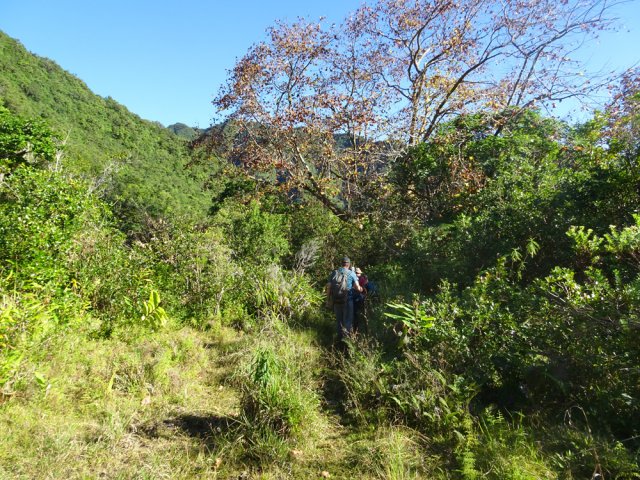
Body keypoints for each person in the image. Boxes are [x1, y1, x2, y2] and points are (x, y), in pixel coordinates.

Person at [326, 256, 362, 341]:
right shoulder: (351, 273)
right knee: (348, 321)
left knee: (339, 321)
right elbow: (357, 287)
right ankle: (346, 342)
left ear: (342, 264)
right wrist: (361, 289)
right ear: (349, 264)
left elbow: (328, 286)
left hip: (336, 301)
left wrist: (328, 300)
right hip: (347, 300)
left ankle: (339, 340)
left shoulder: (334, 273)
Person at [353, 267, 368, 334]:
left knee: (355, 314)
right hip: (360, 298)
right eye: (358, 273)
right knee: (361, 313)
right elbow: (364, 289)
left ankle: (356, 329)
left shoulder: (353, 279)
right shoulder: (362, 279)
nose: (358, 274)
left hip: (354, 298)